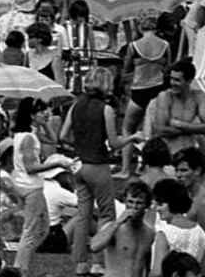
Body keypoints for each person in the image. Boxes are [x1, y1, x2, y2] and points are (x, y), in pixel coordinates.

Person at [61, 67, 145, 277]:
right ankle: (98, 261)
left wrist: (80, 145)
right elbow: (115, 142)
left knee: (83, 214)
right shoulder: (106, 109)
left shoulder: (75, 105)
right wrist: (132, 138)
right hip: (98, 165)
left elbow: (62, 135)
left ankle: (80, 263)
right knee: (106, 214)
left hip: (79, 165)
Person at [12, 96, 71, 274]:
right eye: (41, 111)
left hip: (31, 186)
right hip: (31, 188)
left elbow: (53, 140)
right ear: (31, 115)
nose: (47, 113)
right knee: (30, 232)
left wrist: (44, 123)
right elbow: (31, 167)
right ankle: (19, 270)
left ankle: (22, 264)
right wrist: (58, 163)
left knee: (43, 230)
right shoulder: (29, 138)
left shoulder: (29, 133)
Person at [119, 15, 172, 177]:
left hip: (139, 90)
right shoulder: (165, 45)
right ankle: (150, 167)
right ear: (156, 28)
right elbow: (168, 69)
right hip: (158, 89)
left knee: (128, 129)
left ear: (140, 28)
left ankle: (125, 169)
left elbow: (127, 69)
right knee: (155, 132)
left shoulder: (133, 46)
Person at [90, 180, 153, 277]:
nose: (133, 207)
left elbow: (147, 264)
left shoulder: (149, 233)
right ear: (124, 201)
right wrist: (118, 222)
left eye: (139, 203)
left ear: (147, 205)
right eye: (130, 202)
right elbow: (94, 247)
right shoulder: (114, 228)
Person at [147, 60, 205, 154]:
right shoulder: (165, 96)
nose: (172, 83)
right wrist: (194, 130)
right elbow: (161, 130)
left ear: (189, 81)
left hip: (188, 151)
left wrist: (178, 124)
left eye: (177, 80)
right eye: (171, 79)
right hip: (168, 152)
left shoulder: (198, 96)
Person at [149, 178, 205, 277]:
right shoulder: (200, 232)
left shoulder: (164, 233)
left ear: (172, 203)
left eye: (161, 204)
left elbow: (157, 272)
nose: (157, 208)